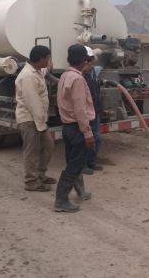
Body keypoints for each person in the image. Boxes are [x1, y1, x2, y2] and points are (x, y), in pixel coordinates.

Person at [55, 44, 95, 213]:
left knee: (73, 161)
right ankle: (61, 200)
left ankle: (80, 192)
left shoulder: (65, 75)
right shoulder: (78, 79)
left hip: (68, 127)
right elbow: (80, 109)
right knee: (76, 165)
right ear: (84, 61)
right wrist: (87, 133)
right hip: (78, 128)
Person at [15, 45, 56, 192]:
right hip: (30, 119)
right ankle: (31, 182)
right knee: (32, 150)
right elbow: (33, 103)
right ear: (40, 59)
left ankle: (40, 175)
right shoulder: (28, 76)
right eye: (48, 58)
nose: (49, 61)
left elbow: (45, 70)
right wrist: (41, 123)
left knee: (48, 146)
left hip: (38, 119)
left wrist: (49, 68)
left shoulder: (37, 70)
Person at [82, 46, 104, 175]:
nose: (90, 63)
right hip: (85, 113)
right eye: (87, 60)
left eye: (91, 60)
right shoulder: (78, 76)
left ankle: (91, 162)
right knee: (84, 139)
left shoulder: (95, 72)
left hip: (95, 111)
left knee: (97, 138)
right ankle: (83, 164)